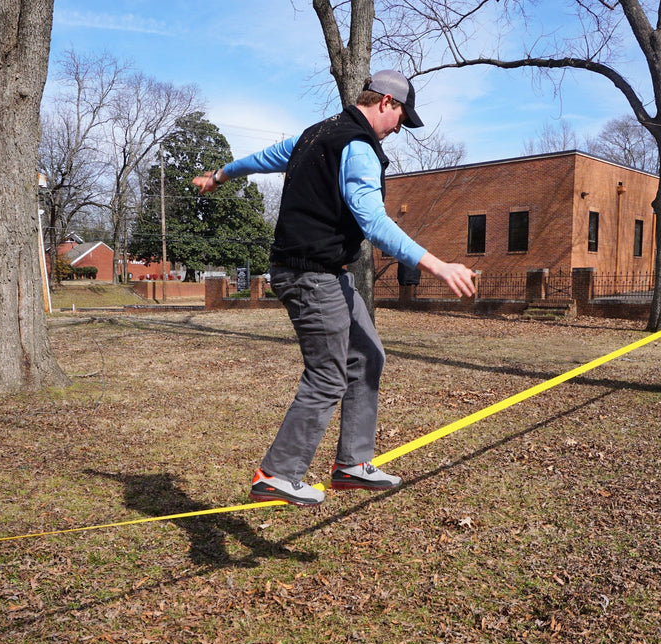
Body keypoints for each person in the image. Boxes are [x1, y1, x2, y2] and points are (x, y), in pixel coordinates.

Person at [193, 69, 476, 507]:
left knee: (367, 355)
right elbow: (375, 224)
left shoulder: (315, 134)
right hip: (309, 275)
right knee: (328, 373)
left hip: (325, 272)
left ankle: (351, 465)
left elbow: (264, 157)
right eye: (401, 117)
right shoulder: (358, 147)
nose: (399, 128)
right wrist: (436, 265)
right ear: (385, 102)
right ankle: (277, 473)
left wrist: (221, 175)